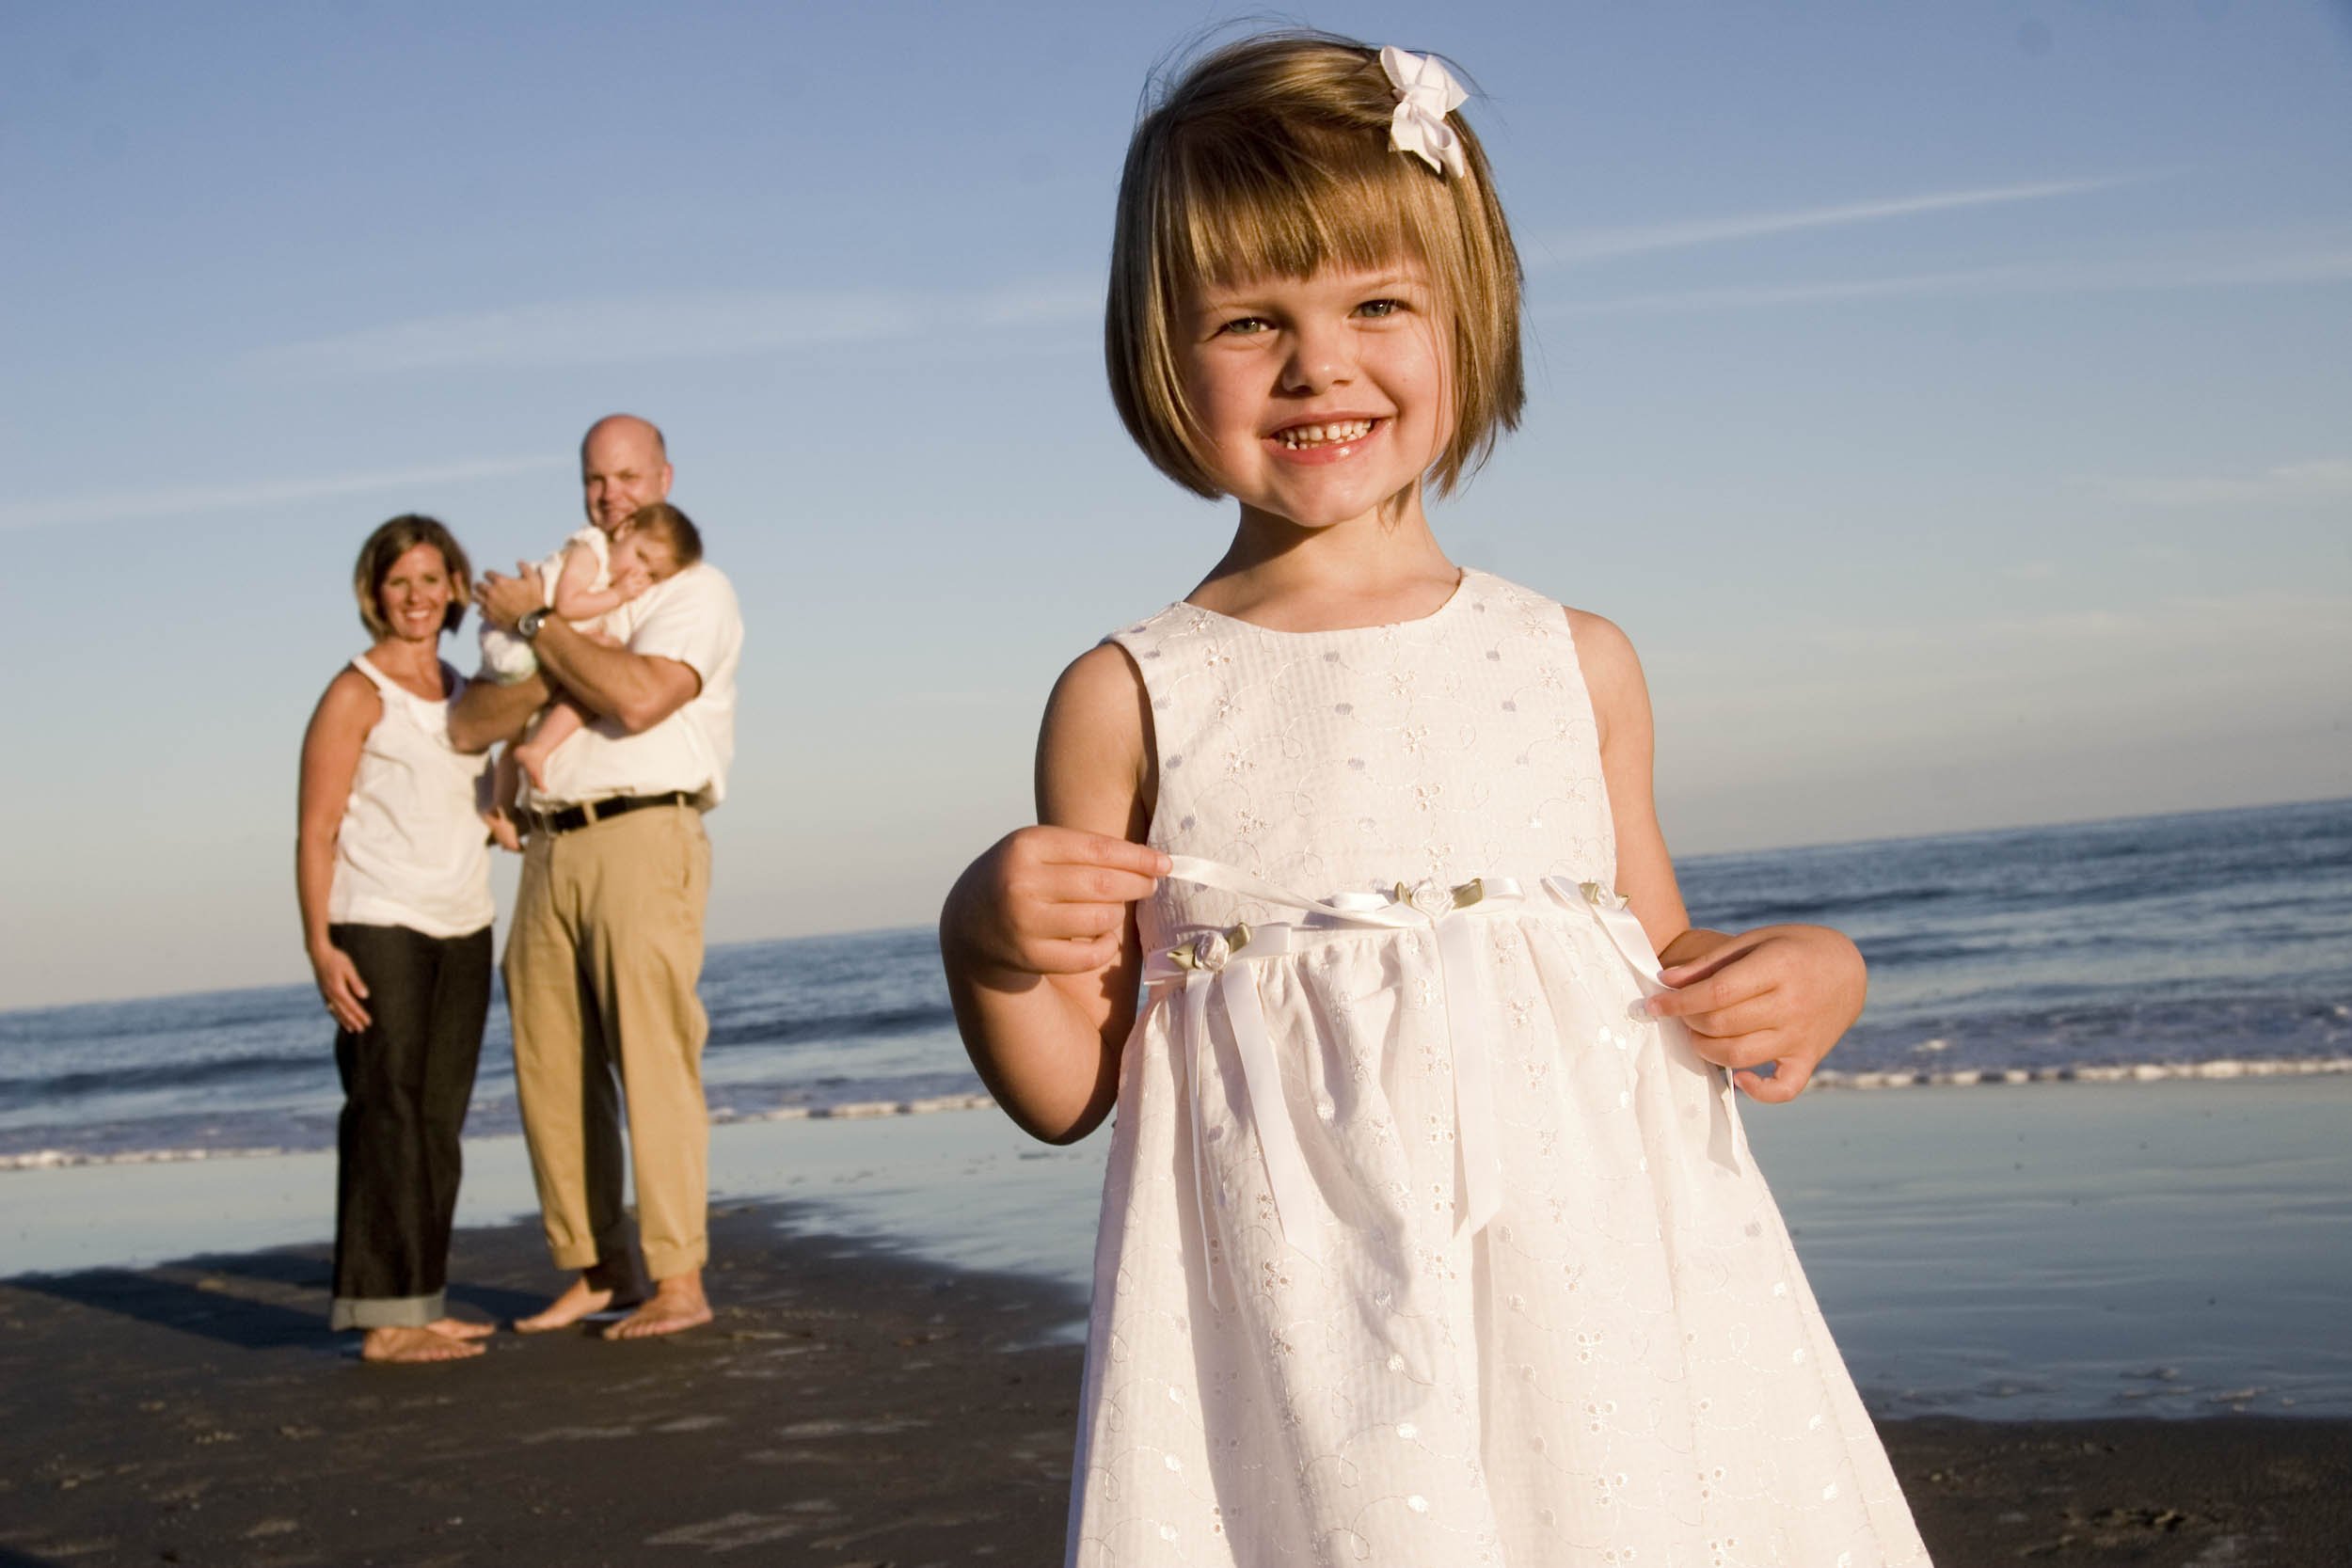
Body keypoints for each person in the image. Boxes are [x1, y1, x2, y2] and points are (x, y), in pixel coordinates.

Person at [938, 34, 1931, 1566]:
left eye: (1378, 304)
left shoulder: (1573, 658)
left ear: (1472, 315)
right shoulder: (1133, 692)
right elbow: (1077, 1084)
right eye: (1250, 319)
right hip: (1303, 1315)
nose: (1318, 363)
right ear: (1161, 349)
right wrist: (990, 945)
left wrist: (1815, 974)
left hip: (1599, 1292)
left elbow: (1659, 970)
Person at [450, 415, 741, 1342]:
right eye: (593, 479)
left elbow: (641, 693)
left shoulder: (693, 589)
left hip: (643, 831)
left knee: (652, 1055)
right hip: (546, 841)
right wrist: (564, 652)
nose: (609, 494)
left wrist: (539, 629)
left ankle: (678, 1278)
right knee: (549, 1063)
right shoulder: (582, 581)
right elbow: (473, 722)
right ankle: (593, 1266)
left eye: (625, 476)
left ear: (662, 475)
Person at [296, 515, 498, 1365]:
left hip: (464, 922)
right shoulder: (355, 692)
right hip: (376, 921)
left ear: (454, 586)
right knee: (387, 1113)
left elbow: (476, 805)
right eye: (398, 581)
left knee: (439, 1122)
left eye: (430, 579)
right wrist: (320, 946)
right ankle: (384, 1321)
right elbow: (316, 829)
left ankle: (422, 1300)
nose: (416, 597)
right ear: (374, 593)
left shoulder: (465, 690)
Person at [482, 503, 705, 848]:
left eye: (653, 574)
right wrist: (617, 596)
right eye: (640, 555)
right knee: (605, 669)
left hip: (528, 643)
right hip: (514, 644)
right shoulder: (590, 552)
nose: (639, 572)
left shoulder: (610, 570)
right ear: (625, 529)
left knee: (518, 740)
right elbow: (568, 606)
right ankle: (537, 753)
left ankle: (503, 811)